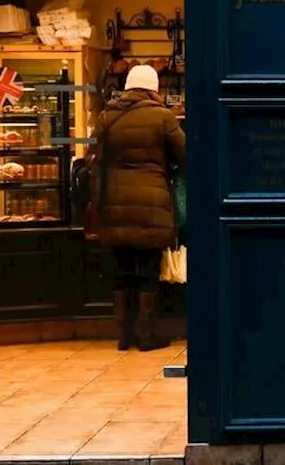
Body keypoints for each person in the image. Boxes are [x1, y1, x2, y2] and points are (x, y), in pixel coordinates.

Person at [93, 64, 186, 352]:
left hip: (114, 204)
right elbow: (185, 154)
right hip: (151, 205)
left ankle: (123, 335)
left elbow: (95, 160)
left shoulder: (106, 116)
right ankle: (146, 335)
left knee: (122, 271)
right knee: (147, 270)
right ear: (154, 88)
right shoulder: (163, 117)